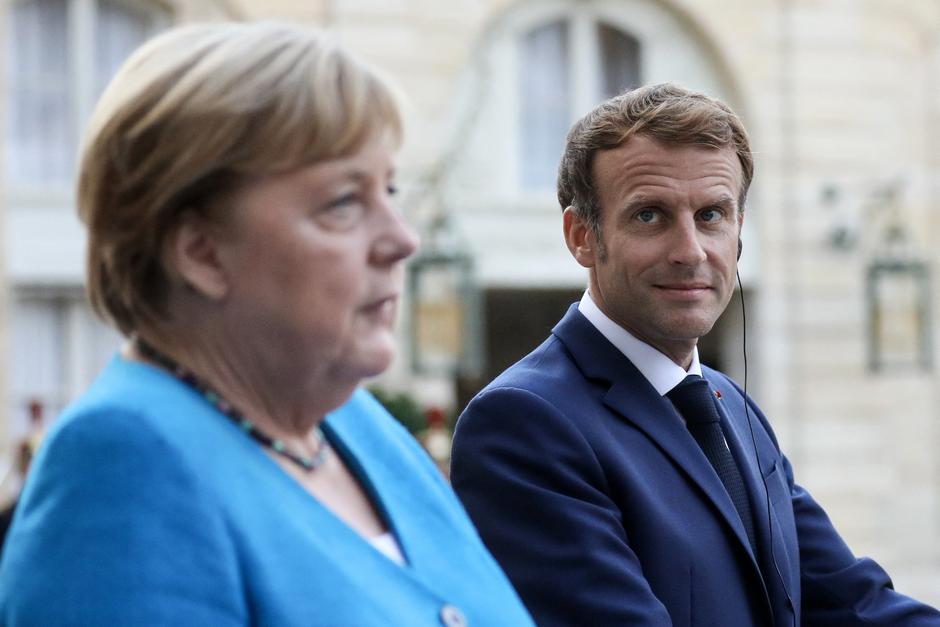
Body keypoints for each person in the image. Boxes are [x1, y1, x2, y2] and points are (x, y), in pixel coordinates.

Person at [0, 22, 534, 626]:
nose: (402, 239)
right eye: (343, 202)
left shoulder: (353, 422)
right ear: (201, 251)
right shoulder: (122, 463)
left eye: (389, 189)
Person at [450, 83, 940, 626]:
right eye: (650, 216)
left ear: (739, 232)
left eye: (711, 215)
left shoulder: (732, 407)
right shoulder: (523, 423)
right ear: (581, 236)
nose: (690, 251)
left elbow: (855, 606)